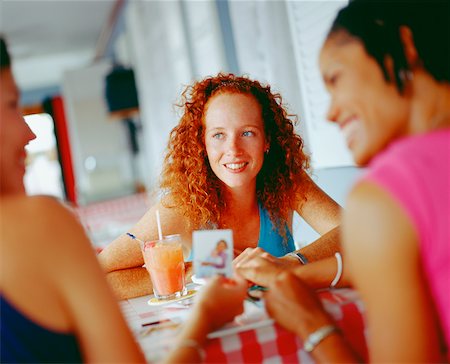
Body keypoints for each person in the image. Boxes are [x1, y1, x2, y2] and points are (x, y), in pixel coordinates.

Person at [0, 37, 248, 364]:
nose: (29, 133)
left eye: (248, 132)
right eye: (12, 105)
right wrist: (204, 316)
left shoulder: (284, 186)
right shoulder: (40, 223)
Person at [262, 1, 450, 362]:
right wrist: (300, 271)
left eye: (335, 79)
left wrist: (312, 325)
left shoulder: (388, 193)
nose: (330, 112)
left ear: (404, 47)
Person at [98, 73, 343, 299]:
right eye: (218, 135)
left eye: (247, 133)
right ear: (201, 144)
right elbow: (100, 275)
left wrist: (292, 262)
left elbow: (353, 232)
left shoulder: (286, 181)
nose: (233, 150)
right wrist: (201, 269)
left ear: (267, 139)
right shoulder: (182, 206)